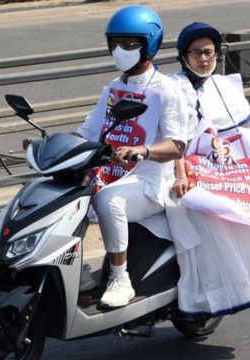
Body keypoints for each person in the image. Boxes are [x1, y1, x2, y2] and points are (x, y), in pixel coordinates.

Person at [166, 22, 250, 317]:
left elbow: (248, 130)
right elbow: (171, 136)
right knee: (201, 210)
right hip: (182, 166)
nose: (203, 59)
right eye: (196, 53)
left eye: (208, 52)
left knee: (246, 205)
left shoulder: (224, 87)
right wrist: (183, 172)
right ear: (184, 56)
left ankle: (247, 282)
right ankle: (209, 295)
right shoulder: (172, 87)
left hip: (224, 167)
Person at [75, 5, 187, 308]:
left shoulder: (166, 90)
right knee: (66, 190)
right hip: (112, 173)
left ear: (149, 44)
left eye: (129, 44)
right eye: (115, 43)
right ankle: (75, 270)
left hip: (150, 181)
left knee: (109, 200)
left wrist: (144, 150)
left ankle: (120, 278)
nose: (120, 51)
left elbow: (178, 146)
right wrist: (48, 146)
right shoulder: (112, 89)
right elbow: (87, 133)